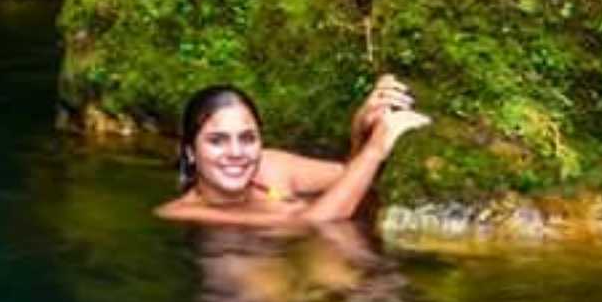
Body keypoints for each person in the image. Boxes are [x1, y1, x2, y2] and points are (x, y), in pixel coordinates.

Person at [155, 76, 428, 227]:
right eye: (217, 140)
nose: (236, 152)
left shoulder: (272, 167)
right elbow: (314, 221)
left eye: (248, 138)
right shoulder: (181, 212)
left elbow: (351, 178)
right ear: (190, 151)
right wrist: (375, 147)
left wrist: (362, 130)